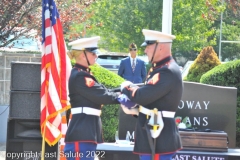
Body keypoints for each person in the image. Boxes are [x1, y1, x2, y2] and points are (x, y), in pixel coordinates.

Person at [120, 29, 183, 160]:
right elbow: (153, 99)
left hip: (158, 138)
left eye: (148, 46)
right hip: (153, 136)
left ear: (160, 47)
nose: (145, 50)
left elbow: (141, 96)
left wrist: (125, 86)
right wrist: (137, 110)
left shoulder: (166, 71)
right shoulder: (160, 68)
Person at [64, 36, 120, 160]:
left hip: (86, 131)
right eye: (93, 53)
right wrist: (127, 95)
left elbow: (104, 91)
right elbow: (104, 96)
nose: (96, 56)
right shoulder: (80, 76)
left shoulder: (84, 74)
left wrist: (123, 88)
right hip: (82, 132)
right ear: (83, 55)